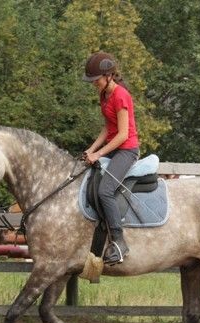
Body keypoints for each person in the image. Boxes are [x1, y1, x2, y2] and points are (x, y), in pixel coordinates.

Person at [82, 51, 139, 265]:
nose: (93, 83)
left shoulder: (121, 95)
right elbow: (108, 128)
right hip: (113, 149)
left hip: (127, 150)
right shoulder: (104, 95)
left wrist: (98, 153)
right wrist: (91, 149)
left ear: (108, 76)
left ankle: (119, 242)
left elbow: (123, 134)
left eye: (95, 79)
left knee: (105, 190)